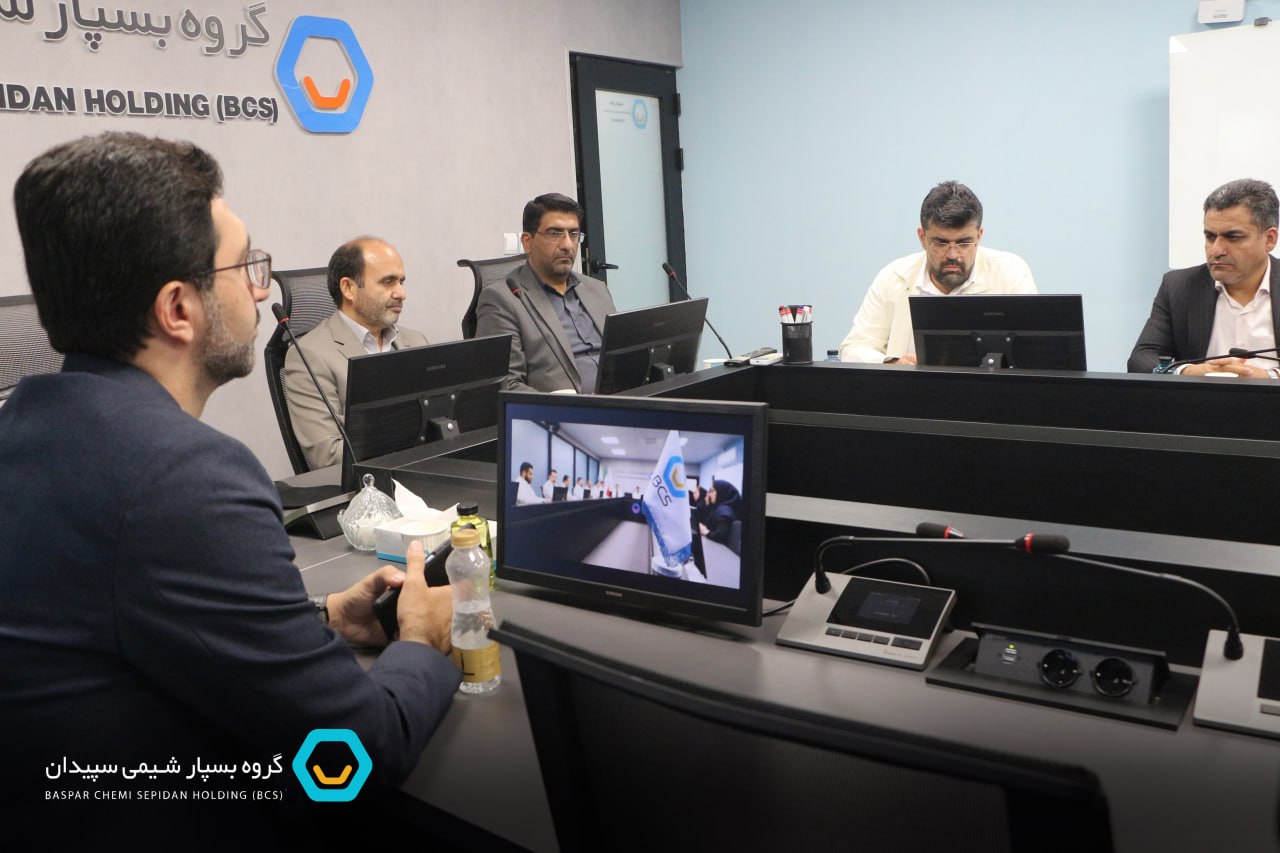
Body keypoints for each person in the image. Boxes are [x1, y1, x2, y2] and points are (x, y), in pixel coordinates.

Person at [0, 133, 460, 840]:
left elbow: (132, 617)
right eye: (247, 265)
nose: (261, 288)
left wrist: (322, 618)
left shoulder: (25, 430)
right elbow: (345, 761)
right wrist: (422, 642)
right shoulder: (184, 477)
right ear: (178, 309)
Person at [839, 181, 1037, 364]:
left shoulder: (1010, 273)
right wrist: (892, 363)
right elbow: (853, 348)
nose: (953, 255)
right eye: (941, 243)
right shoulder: (894, 277)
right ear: (922, 237)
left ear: (979, 236)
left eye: (964, 243)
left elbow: (1032, 353)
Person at [283, 236, 430, 469]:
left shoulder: (416, 341)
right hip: (370, 486)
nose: (401, 293)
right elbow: (328, 457)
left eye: (401, 282)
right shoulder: (309, 356)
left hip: (429, 474)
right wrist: (409, 437)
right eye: (388, 282)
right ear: (348, 288)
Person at [1128, 178, 1280, 377]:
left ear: (1269, 239)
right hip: (1201, 397)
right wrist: (1188, 372)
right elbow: (1141, 358)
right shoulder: (1179, 286)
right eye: (1210, 237)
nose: (1216, 250)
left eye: (1233, 237)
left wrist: (1271, 378)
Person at [474, 192, 617, 392]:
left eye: (574, 234)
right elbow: (506, 386)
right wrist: (564, 405)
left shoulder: (597, 289)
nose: (567, 245)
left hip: (625, 401)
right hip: (562, 410)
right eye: (555, 234)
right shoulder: (503, 299)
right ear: (527, 242)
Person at [699, 480, 742, 545]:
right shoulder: (718, 508)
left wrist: (705, 531)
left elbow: (720, 536)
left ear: (721, 492)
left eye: (711, 491)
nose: (709, 494)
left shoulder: (724, 511)